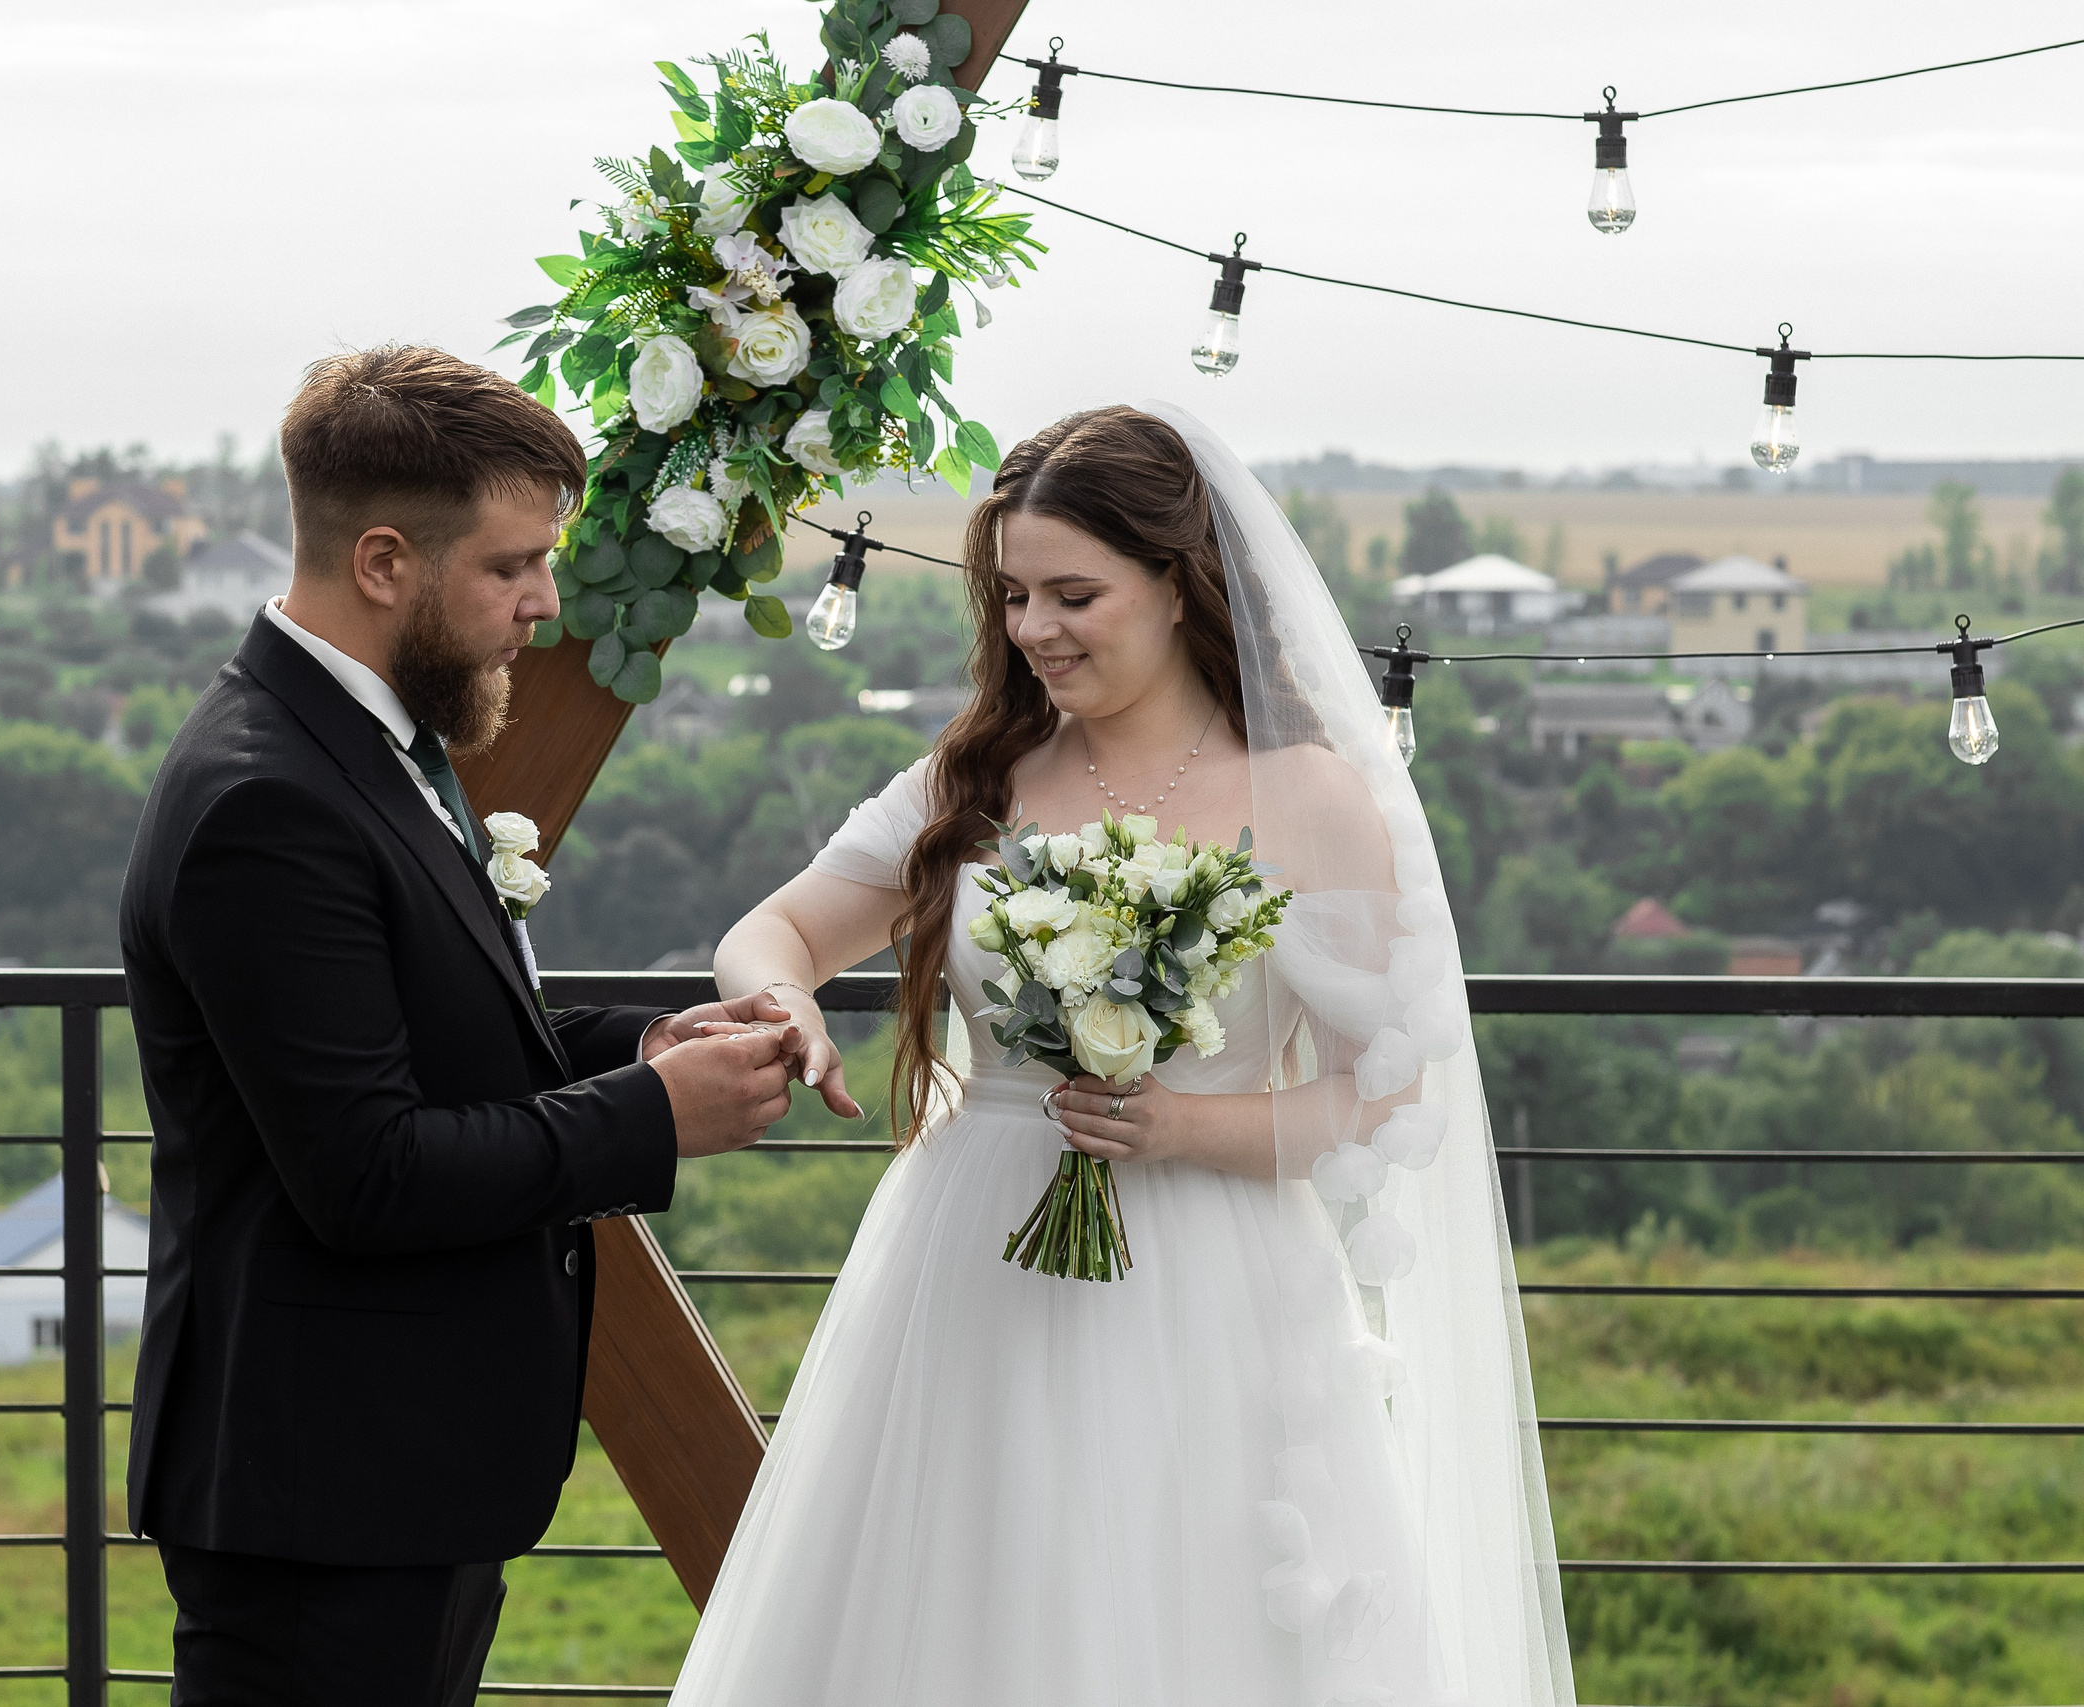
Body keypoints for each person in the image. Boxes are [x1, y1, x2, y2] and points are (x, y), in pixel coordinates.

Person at [675, 405, 1575, 1706]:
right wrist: (779, 1004)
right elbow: (775, 931)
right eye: (1016, 596)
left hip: (1214, 1286)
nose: (1035, 628)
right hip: (968, 1261)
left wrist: (1180, 1129)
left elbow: (1384, 1092)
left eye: (1073, 593)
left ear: (1178, 581)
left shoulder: (1311, 795)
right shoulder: (975, 776)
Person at [120, 344, 799, 1707]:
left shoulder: (375, 742)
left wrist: (641, 1047)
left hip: (396, 1476)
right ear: (383, 561)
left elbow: (430, 1025)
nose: (545, 604)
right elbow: (366, 1173)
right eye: (512, 567)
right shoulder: (270, 801)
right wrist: (650, 1124)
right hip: (320, 1490)